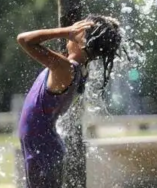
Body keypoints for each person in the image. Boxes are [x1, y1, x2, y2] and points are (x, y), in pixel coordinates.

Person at [17, 15, 123, 188]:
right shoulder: (77, 69)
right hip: (45, 147)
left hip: (43, 150)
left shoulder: (65, 69)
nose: (71, 32)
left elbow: (24, 40)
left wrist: (64, 31)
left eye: (76, 30)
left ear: (82, 41)